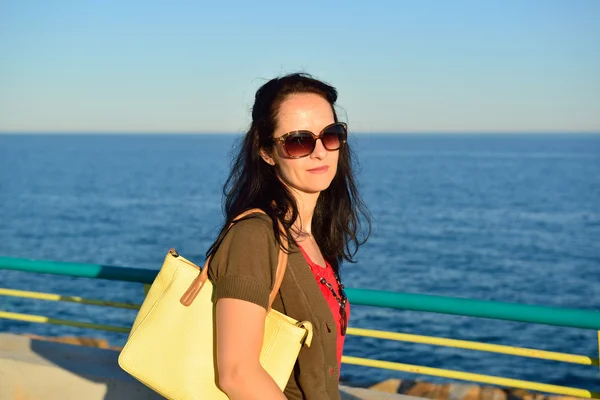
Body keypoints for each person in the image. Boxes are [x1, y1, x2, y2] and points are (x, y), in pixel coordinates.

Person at [206, 73, 371, 400]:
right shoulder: (254, 236)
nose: (320, 152)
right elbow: (237, 374)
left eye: (331, 135)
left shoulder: (311, 236)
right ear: (267, 152)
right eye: (299, 141)